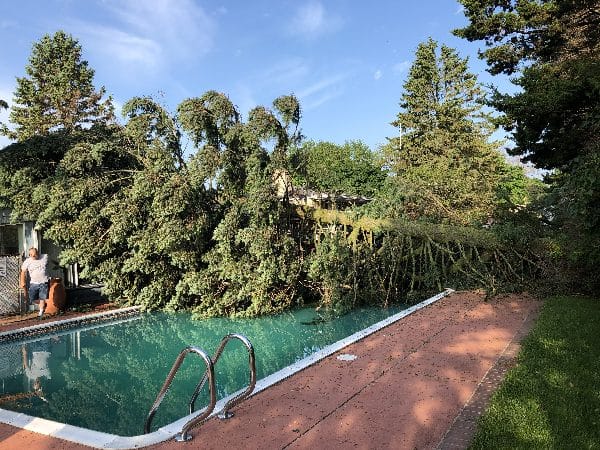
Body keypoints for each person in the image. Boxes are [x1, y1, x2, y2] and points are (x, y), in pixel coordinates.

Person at [20, 247, 50, 319]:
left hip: (44, 281)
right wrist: (22, 281)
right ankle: (43, 304)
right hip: (34, 283)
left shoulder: (45, 257)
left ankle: (41, 313)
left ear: (38, 253)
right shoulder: (27, 261)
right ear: (29, 255)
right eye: (33, 255)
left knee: (42, 297)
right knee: (32, 298)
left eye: (36, 254)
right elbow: (23, 272)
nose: (35, 256)